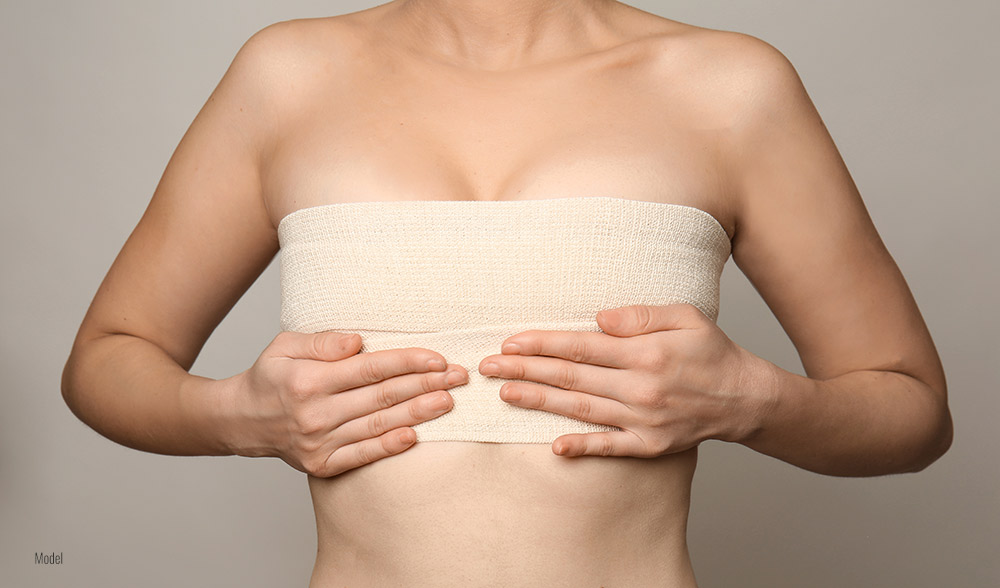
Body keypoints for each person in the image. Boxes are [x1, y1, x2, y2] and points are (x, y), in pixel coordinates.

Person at [61, 0, 953, 585]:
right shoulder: (286, 75)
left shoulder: (730, 86)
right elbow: (106, 360)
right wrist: (235, 416)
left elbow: (912, 412)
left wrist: (752, 402)